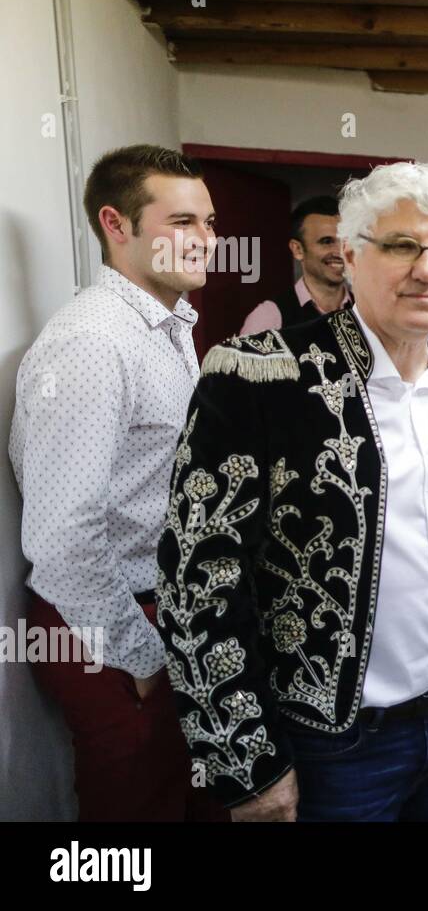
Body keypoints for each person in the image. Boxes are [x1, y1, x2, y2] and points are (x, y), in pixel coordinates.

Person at [156, 161, 428, 821]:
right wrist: (248, 761)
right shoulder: (261, 375)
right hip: (332, 741)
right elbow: (196, 580)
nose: (426, 269)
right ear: (350, 255)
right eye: (402, 245)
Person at [11, 143, 225, 820]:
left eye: (210, 222)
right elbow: (61, 536)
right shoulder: (92, 343)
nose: (205, 241)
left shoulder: (167, 327)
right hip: (108, 621)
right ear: (115, 224)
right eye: (181, 223)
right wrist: (140, 655)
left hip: (162, 611)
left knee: (184, 797)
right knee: (134, 816)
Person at [239, 195, 350, 333]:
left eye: (345, 241)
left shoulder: (369, 311)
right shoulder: (268, 319)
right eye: (327, 241)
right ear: (297, 249)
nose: (340, 252)